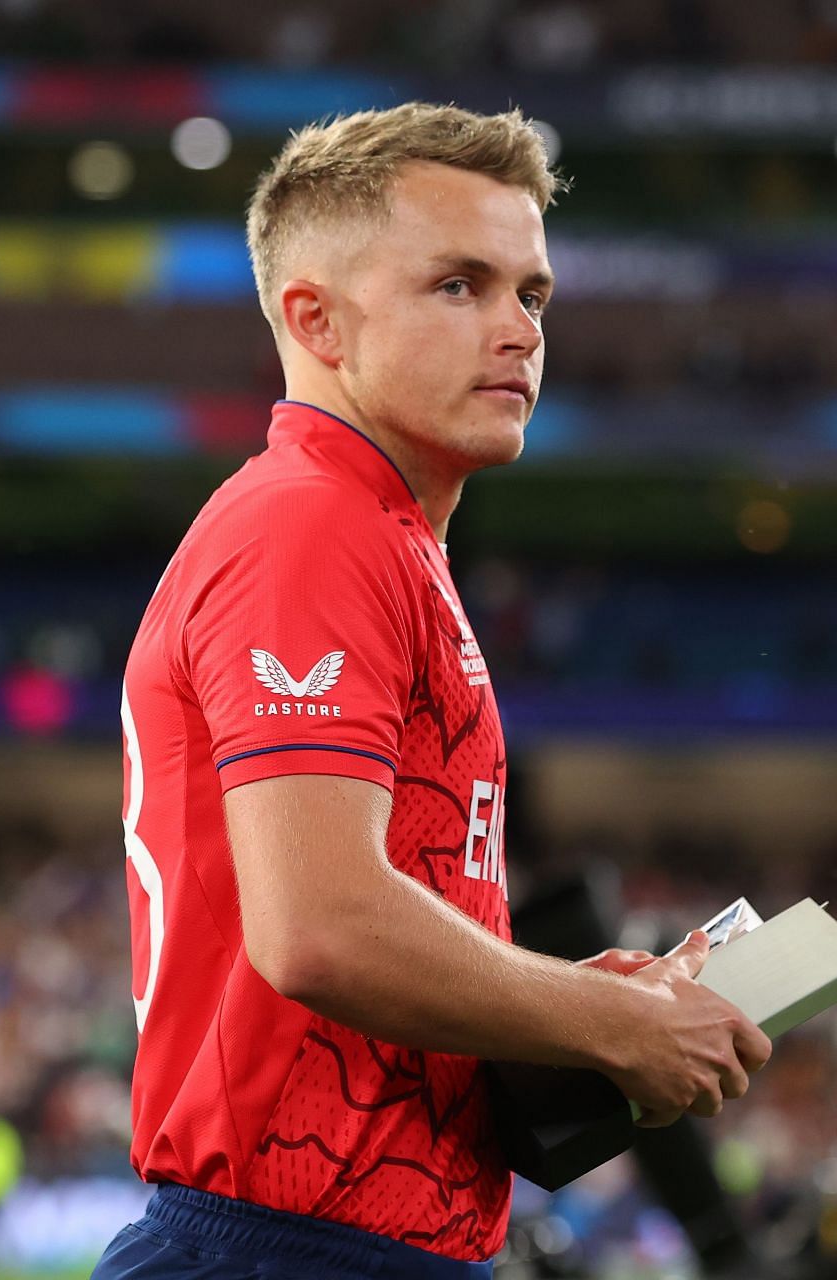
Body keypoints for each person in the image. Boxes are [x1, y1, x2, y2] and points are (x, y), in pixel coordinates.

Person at [98, 103, 771, 1280]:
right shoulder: (309, 525)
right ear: (316, 319)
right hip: (285, 1251)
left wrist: (565, 999)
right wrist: (611, 1021)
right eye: (460, 285)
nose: (518, 329)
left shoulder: (380, 533)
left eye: (533, 293)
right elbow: (321, 924)